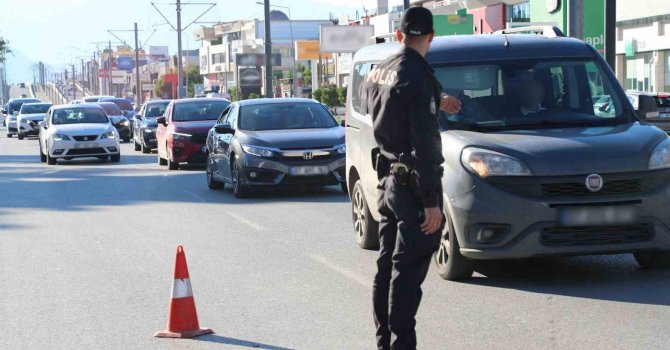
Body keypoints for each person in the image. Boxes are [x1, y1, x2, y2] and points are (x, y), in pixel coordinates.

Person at [364, 7, 461, 350]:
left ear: (400, 36)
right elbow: (425, 146)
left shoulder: (380, 71)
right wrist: (432, 202)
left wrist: (436, 99)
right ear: (431, 37)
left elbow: (388, 109)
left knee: (386, 266)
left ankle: (383, 343)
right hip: (412, 188)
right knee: (406, 276)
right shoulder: (419, 77)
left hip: (387, 180)